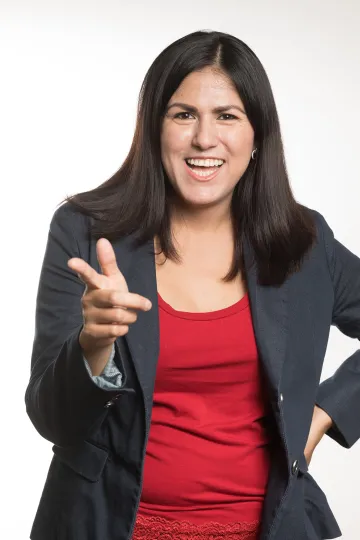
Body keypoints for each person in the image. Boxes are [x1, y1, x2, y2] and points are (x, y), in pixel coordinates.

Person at [25, 30, 360, 540]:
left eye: (227, 116)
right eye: (183, 115)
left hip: (270, 528)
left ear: (257, 135)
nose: (205, 138)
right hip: (109, 524)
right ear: (154, 126)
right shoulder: (84, 232)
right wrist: (94, 344)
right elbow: (55, 422)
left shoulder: (305, 243)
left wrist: (325, 416)